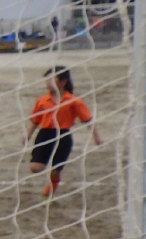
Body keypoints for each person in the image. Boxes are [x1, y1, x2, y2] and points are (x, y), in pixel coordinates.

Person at [27, 66, 101, 201]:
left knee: (55, 171)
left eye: (51, 79)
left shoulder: (74, 101)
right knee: (35, 168)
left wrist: (96, 137)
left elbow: (87, 119)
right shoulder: (42, 100)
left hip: (63, 136)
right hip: (45, 135)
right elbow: (35, 120)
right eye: (47, 79)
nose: (47, 82)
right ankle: (46, 164)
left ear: (63, 81)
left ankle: (47, 195)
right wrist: (28, 135)